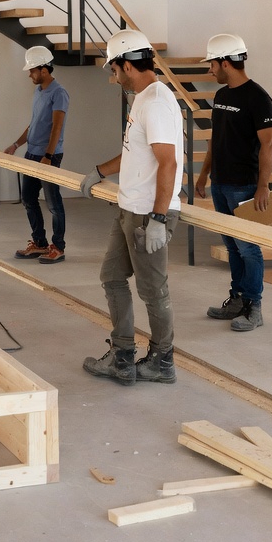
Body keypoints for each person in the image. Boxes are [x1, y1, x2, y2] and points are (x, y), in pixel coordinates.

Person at [79, 31, 183, 386]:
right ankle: (123, 355)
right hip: (129, 207)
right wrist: (99, 171)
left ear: (126, 64)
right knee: (111, 275)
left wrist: (157, 218)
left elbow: (166, 163)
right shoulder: (142, 98)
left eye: (115, 68)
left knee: (154, 290)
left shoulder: (155, 101)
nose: (114, 75)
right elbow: (135, 153)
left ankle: (162, 360)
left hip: (147, 213)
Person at [195, 34, 272, 332]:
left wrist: (263, 186)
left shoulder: (258, 97)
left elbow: (268, 145)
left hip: (244, 186)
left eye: (212, 64)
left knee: (248, 248)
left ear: (225, 62)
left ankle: (254, 306)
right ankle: (238, 299)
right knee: (231, 246)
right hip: (220, 183)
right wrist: (204, 174)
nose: (209, 70)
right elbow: (216, 139)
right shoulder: (222, 96)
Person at [5, 46, 70, 264]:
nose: (29, 74)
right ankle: (39, 243)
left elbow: (56, 128)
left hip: (48, 156)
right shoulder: (39, 91)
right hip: (32, 154)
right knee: (28, 198)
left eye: (32, 70)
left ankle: (58, 247)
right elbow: (34, 124)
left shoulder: (59, 93)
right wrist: (16, 144)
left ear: (44, 69)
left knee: (53, 203)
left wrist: (49, 156)